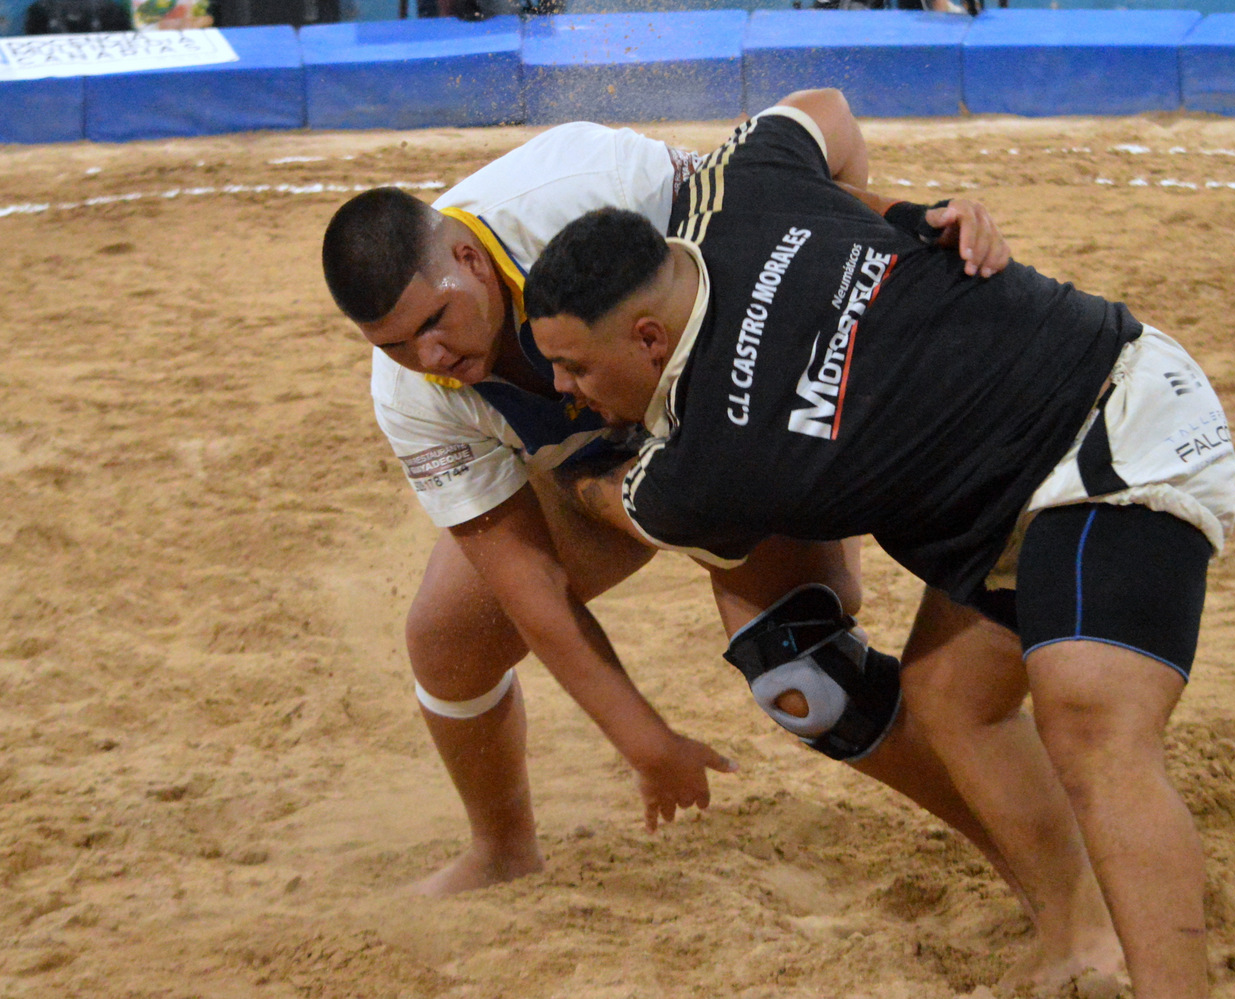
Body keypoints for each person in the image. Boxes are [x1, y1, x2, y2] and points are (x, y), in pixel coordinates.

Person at [320, 101, 1123, 993]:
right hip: (612, 479)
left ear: (469, 259)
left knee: (806, 672)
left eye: (435, 319)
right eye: (396, 345)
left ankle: (1060, 888)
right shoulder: (414, 390)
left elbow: (792, 175)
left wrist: (899, 218)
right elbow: (527, 584)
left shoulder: (582, 183)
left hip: (750, 420)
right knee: (445, 642)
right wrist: (645, 741)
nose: (430, 353)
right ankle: (503, 848)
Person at [524, 89, 1235, 999]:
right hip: (1012, 503)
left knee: (1090, 722)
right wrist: (896, 211)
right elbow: (820, 108)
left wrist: (563, 469)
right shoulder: (736, 188)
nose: (565, 387)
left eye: (576, 367)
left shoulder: (708, 467)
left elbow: (616, 501)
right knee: (951, 695)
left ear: (651, 337)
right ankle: (1074, 934)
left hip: (1116, 429)